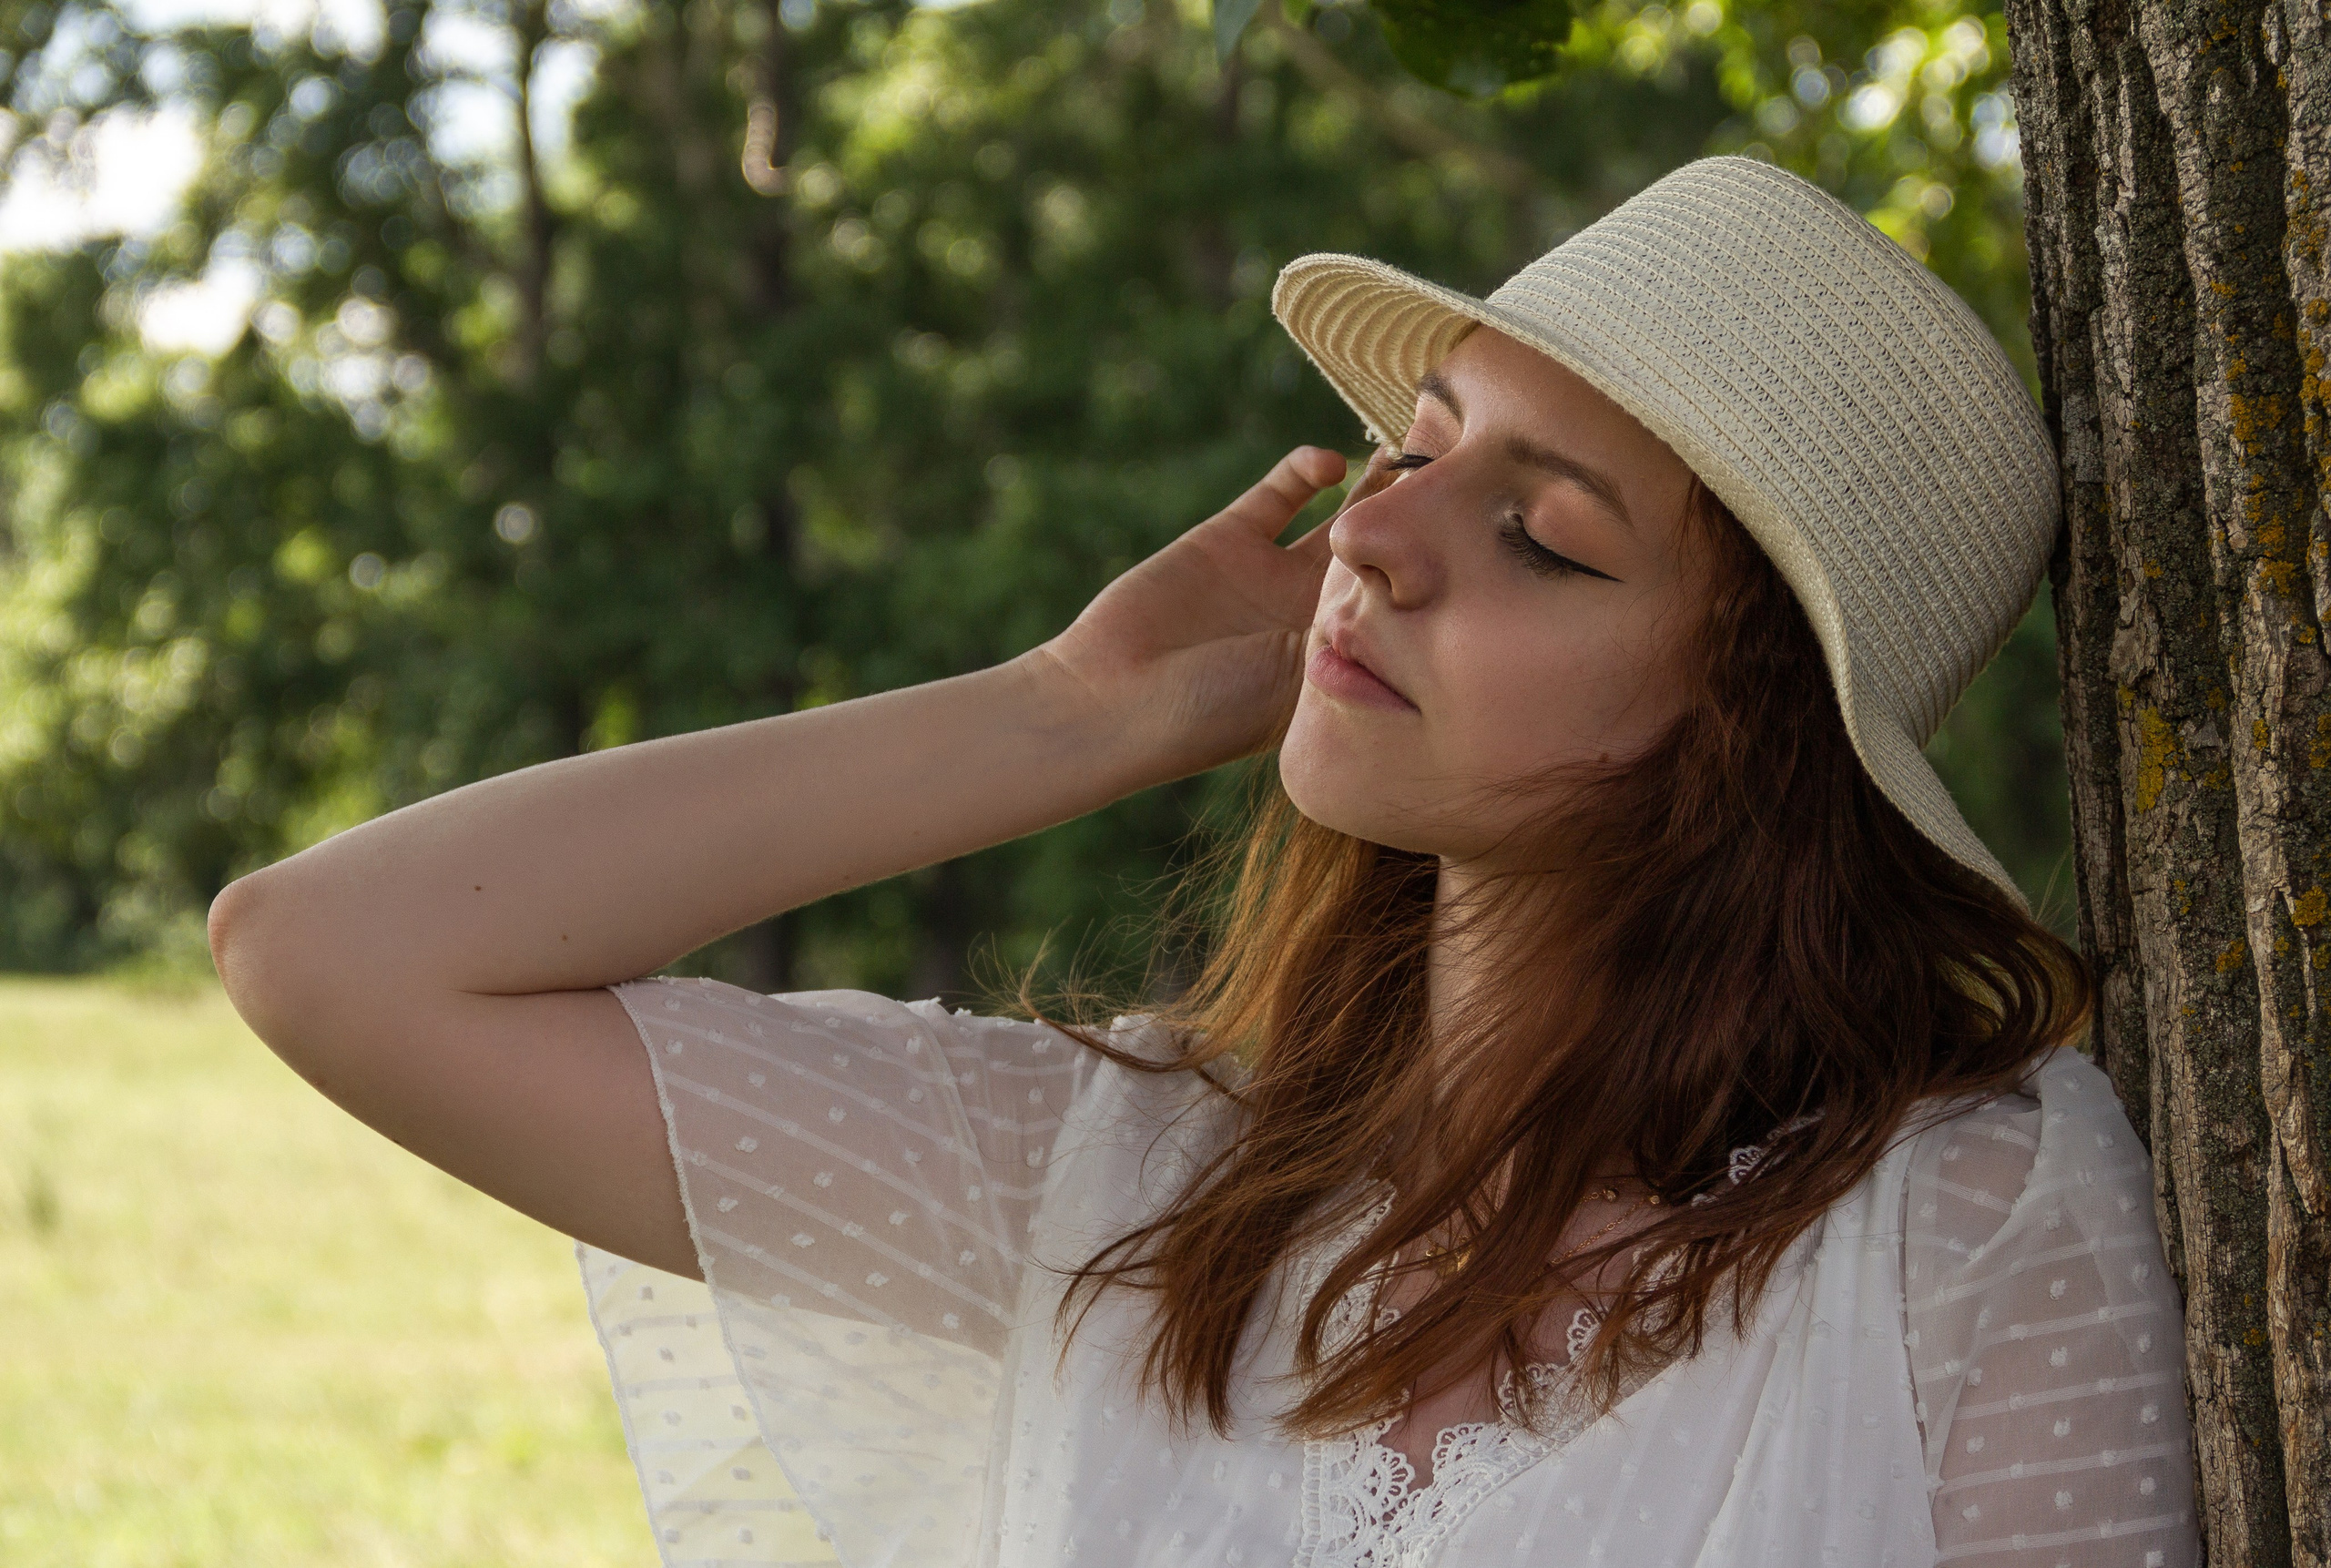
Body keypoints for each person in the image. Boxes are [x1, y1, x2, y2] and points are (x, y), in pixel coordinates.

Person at [209, 157, 2200, 1568]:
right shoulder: (1123, 1188)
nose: (1376, 535)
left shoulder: (1961, 1232)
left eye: (1542, 536)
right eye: (1418, 447)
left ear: (1745, 743)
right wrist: (1065, 712)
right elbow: (330, 952)